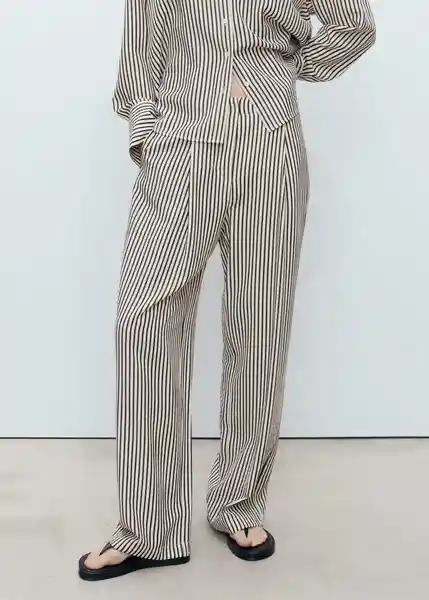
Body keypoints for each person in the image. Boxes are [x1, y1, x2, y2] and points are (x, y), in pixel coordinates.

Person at [78, 0, 376, 581]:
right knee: (143, 320)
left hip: (268, 148)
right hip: (178, 146)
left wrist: (279, 72)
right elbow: (141, 41)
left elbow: (354, 24)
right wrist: (148, 133)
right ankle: (148, 526)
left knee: (259, 328)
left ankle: (238, 501)